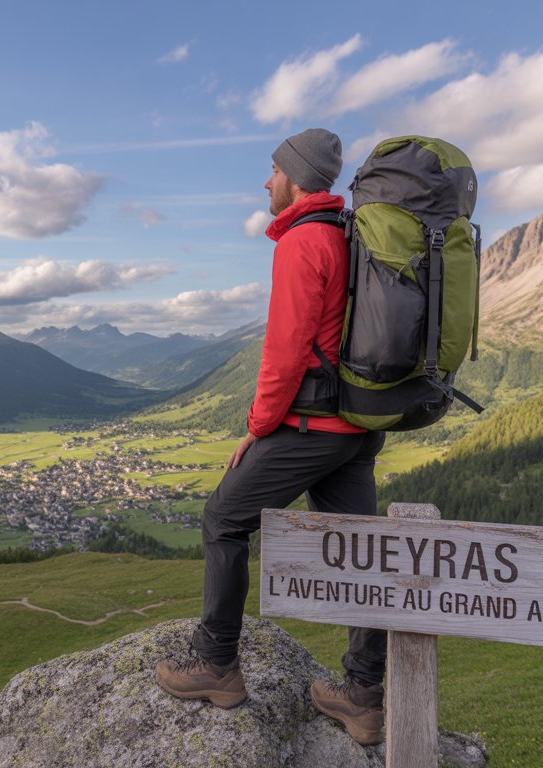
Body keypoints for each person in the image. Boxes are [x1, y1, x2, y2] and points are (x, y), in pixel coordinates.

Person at [154, 127, 389, 746]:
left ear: (295, 175)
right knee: (359, 552)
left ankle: (216, 665)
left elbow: (284, 354)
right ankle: (364, 696)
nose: (265, 181)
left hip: (312, 425)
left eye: (272, 169)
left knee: (224, 518)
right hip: (357, 427)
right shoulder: (346, 235)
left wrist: (257, 430)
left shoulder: (303, 241)